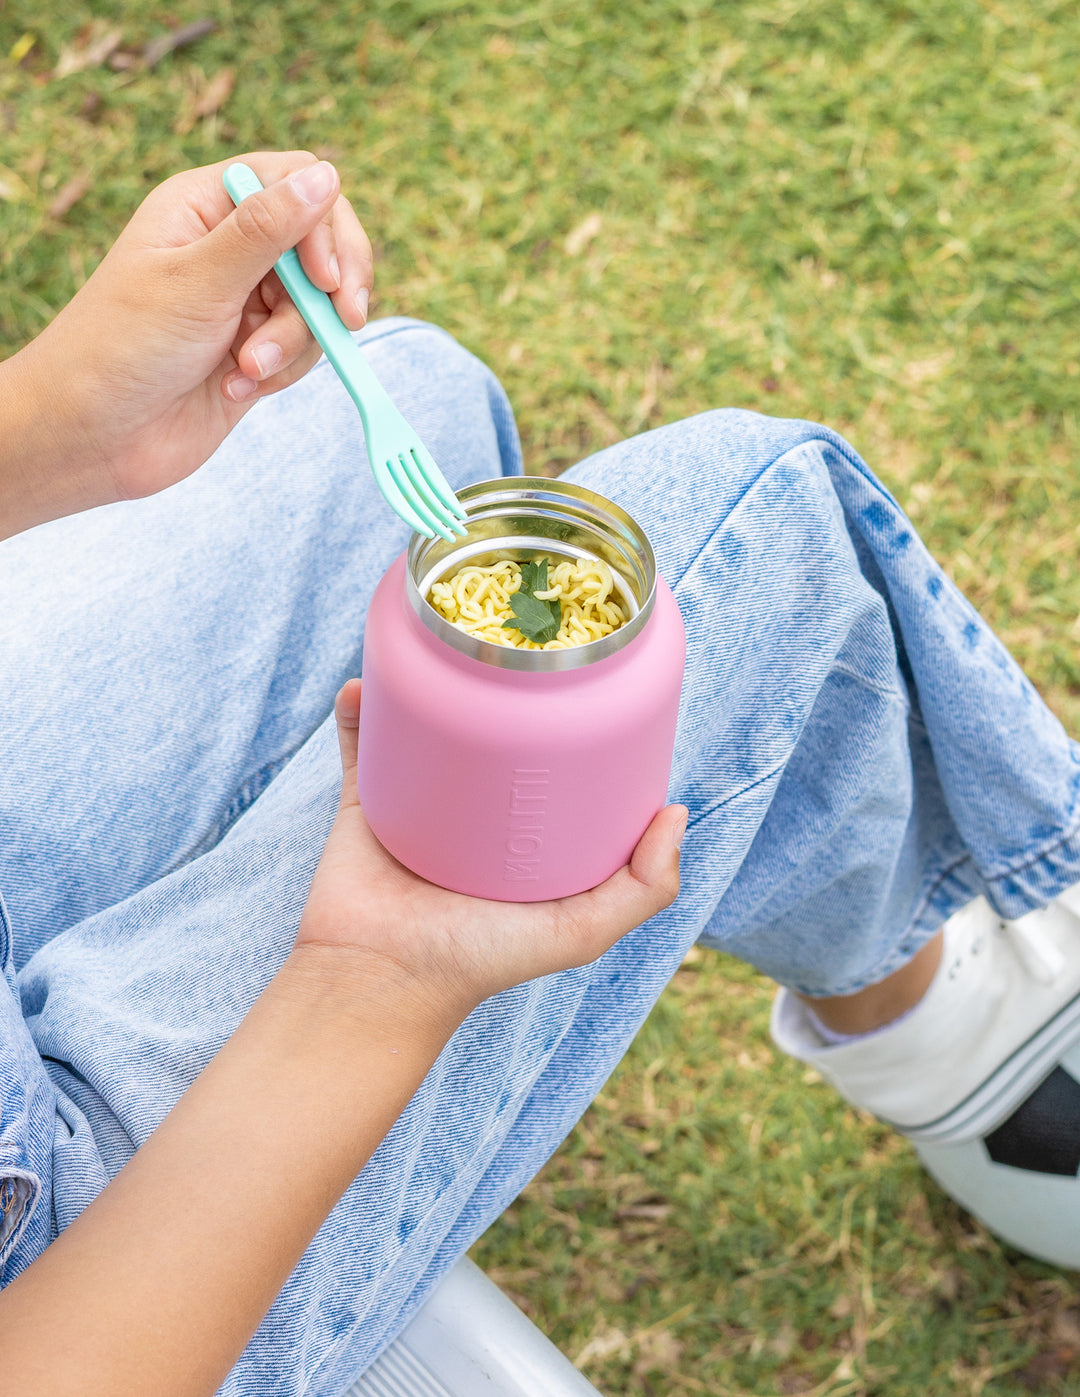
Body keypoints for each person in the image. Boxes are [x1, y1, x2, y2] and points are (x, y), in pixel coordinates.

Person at [0, 151, 1076, 1396]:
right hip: (72, 1286)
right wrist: (373, 979)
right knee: (746, 520)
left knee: (406, 392)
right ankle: (953, 1046)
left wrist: (51, 428)